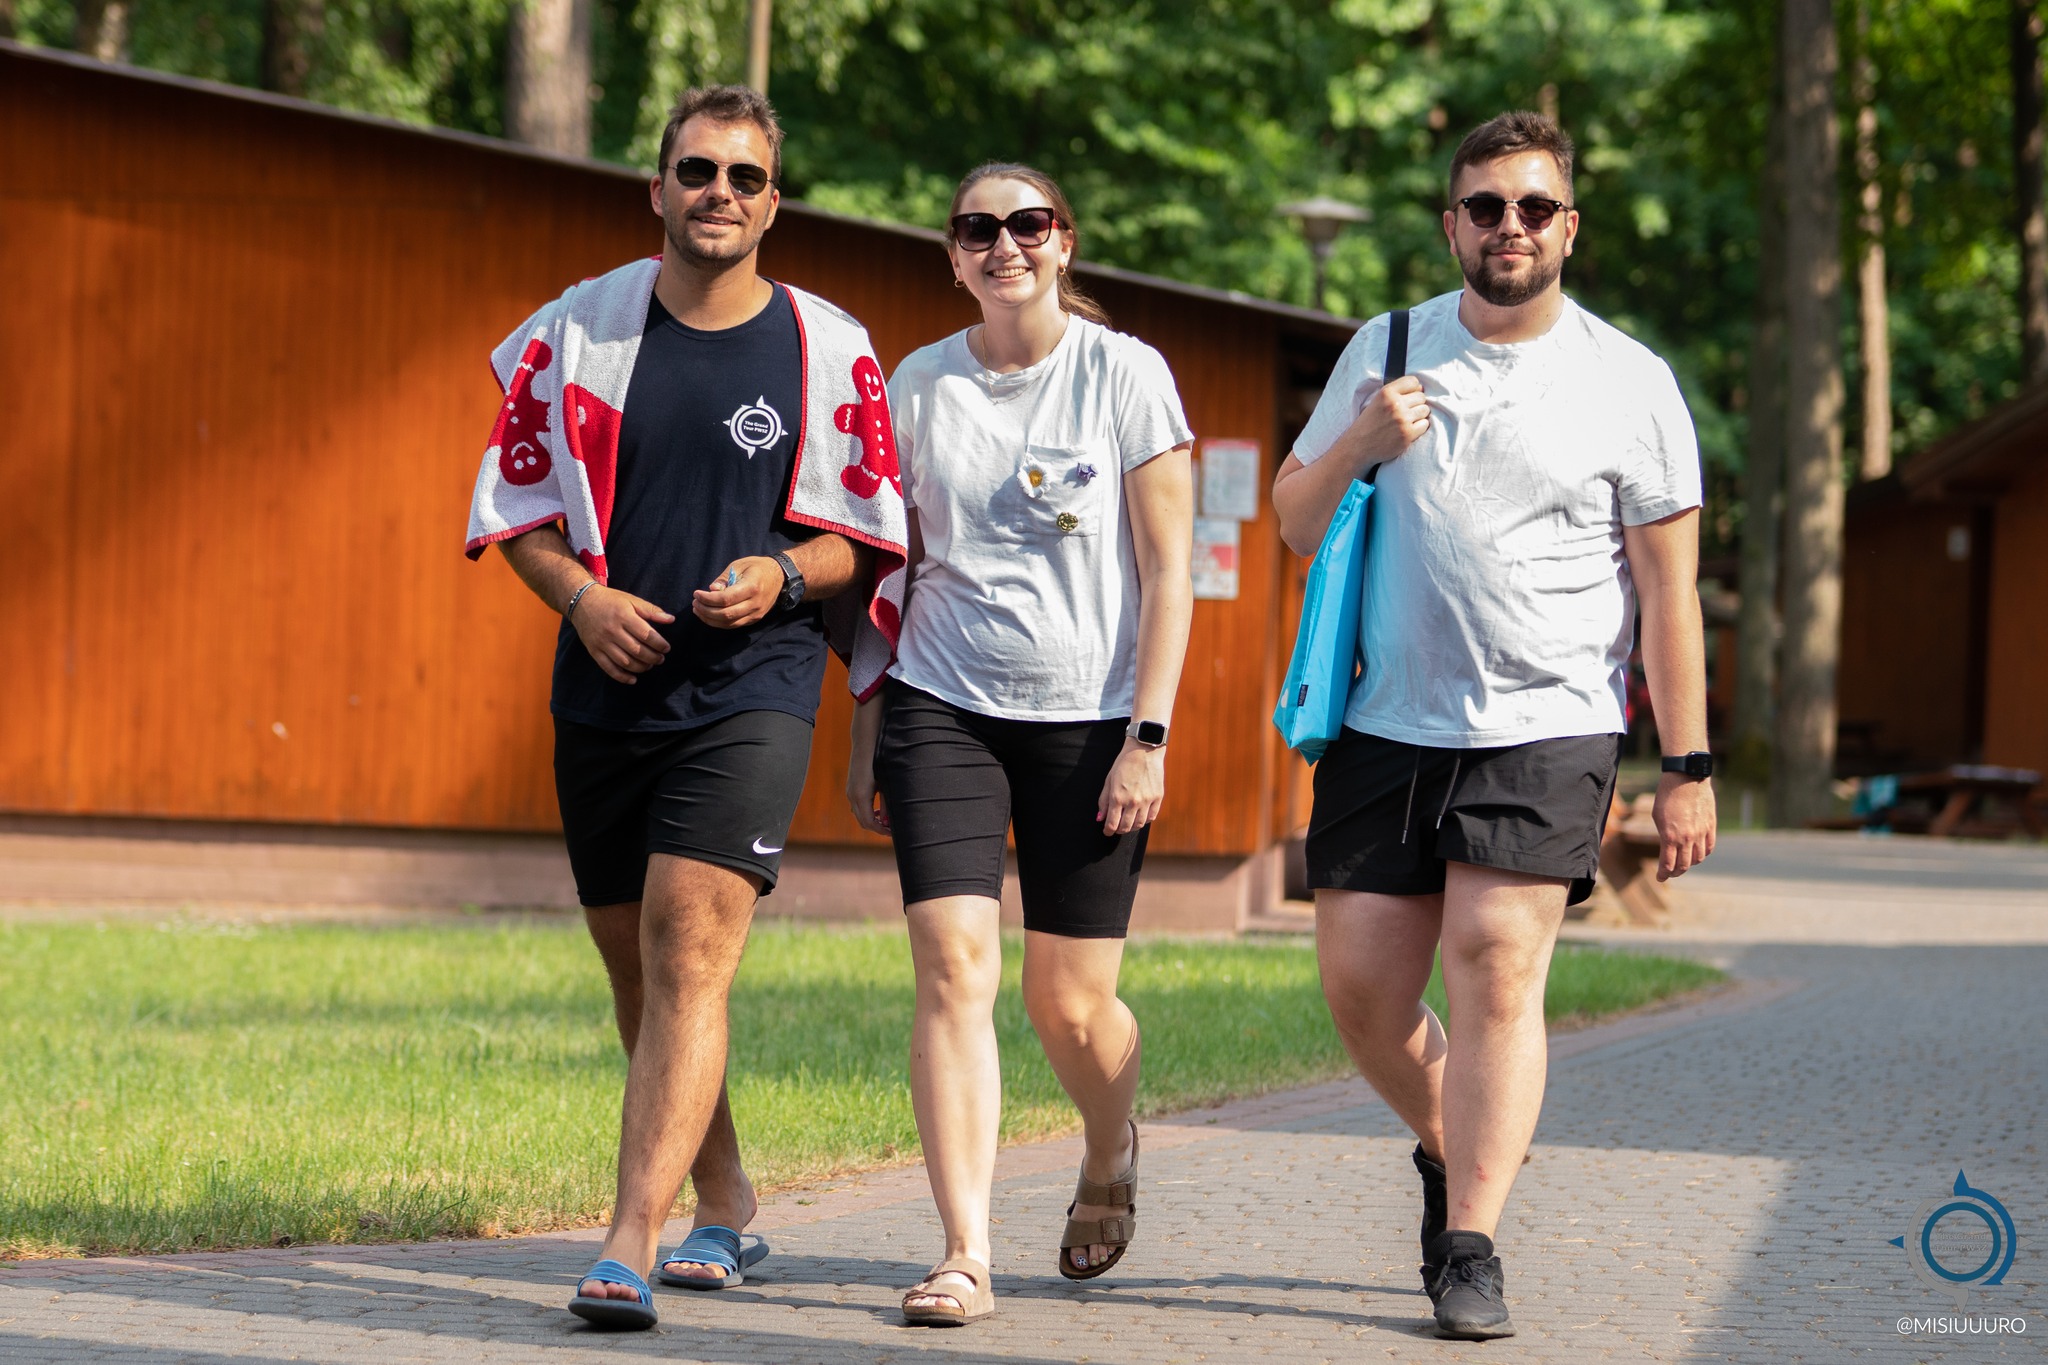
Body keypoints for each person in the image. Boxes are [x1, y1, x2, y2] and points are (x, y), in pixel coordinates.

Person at [463, 85, 905, 1330]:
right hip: (605, 687)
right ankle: (726, 1199)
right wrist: (580, 600)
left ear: (774, 203)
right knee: (639, 972)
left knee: (688, 944)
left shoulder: (827, 347)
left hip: (752, 688)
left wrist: (782, 576)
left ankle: (625, 1243)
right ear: (656, 188)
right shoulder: (577, 330)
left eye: (744, 177)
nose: (719, 193)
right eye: (697, 171)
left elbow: (867, 536)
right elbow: (517, 509)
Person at [1271, 111, 1716, 1341]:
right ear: (1450, 224)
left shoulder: (1630, 381)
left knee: (1492, 966)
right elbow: (1294, 520)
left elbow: (1669, 593)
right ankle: (1454, 1145)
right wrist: (1360, 440)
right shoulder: (1386, 346)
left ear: (1567, 226)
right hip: (1385, 723)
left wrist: (1686, 766)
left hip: (1549, 723)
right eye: (1483, 207)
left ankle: (1468, 1243)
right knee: (1361, 995)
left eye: (1530, 207)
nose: (1506, 226)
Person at [844, 162, 1194, 1326]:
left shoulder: (1124, 374)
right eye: (977, 229)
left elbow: (1170, 573)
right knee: (952, 969)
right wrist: (867, 724)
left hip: (1091, 721)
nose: (1005, 245)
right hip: (941, 705)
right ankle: (964, 1253)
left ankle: (1107, 1144)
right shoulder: (917, 384)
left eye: (1027, 224)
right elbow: (891, 567)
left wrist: (1147, 736)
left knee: (1069, 1007)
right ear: (952, 256)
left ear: (1063, 242)